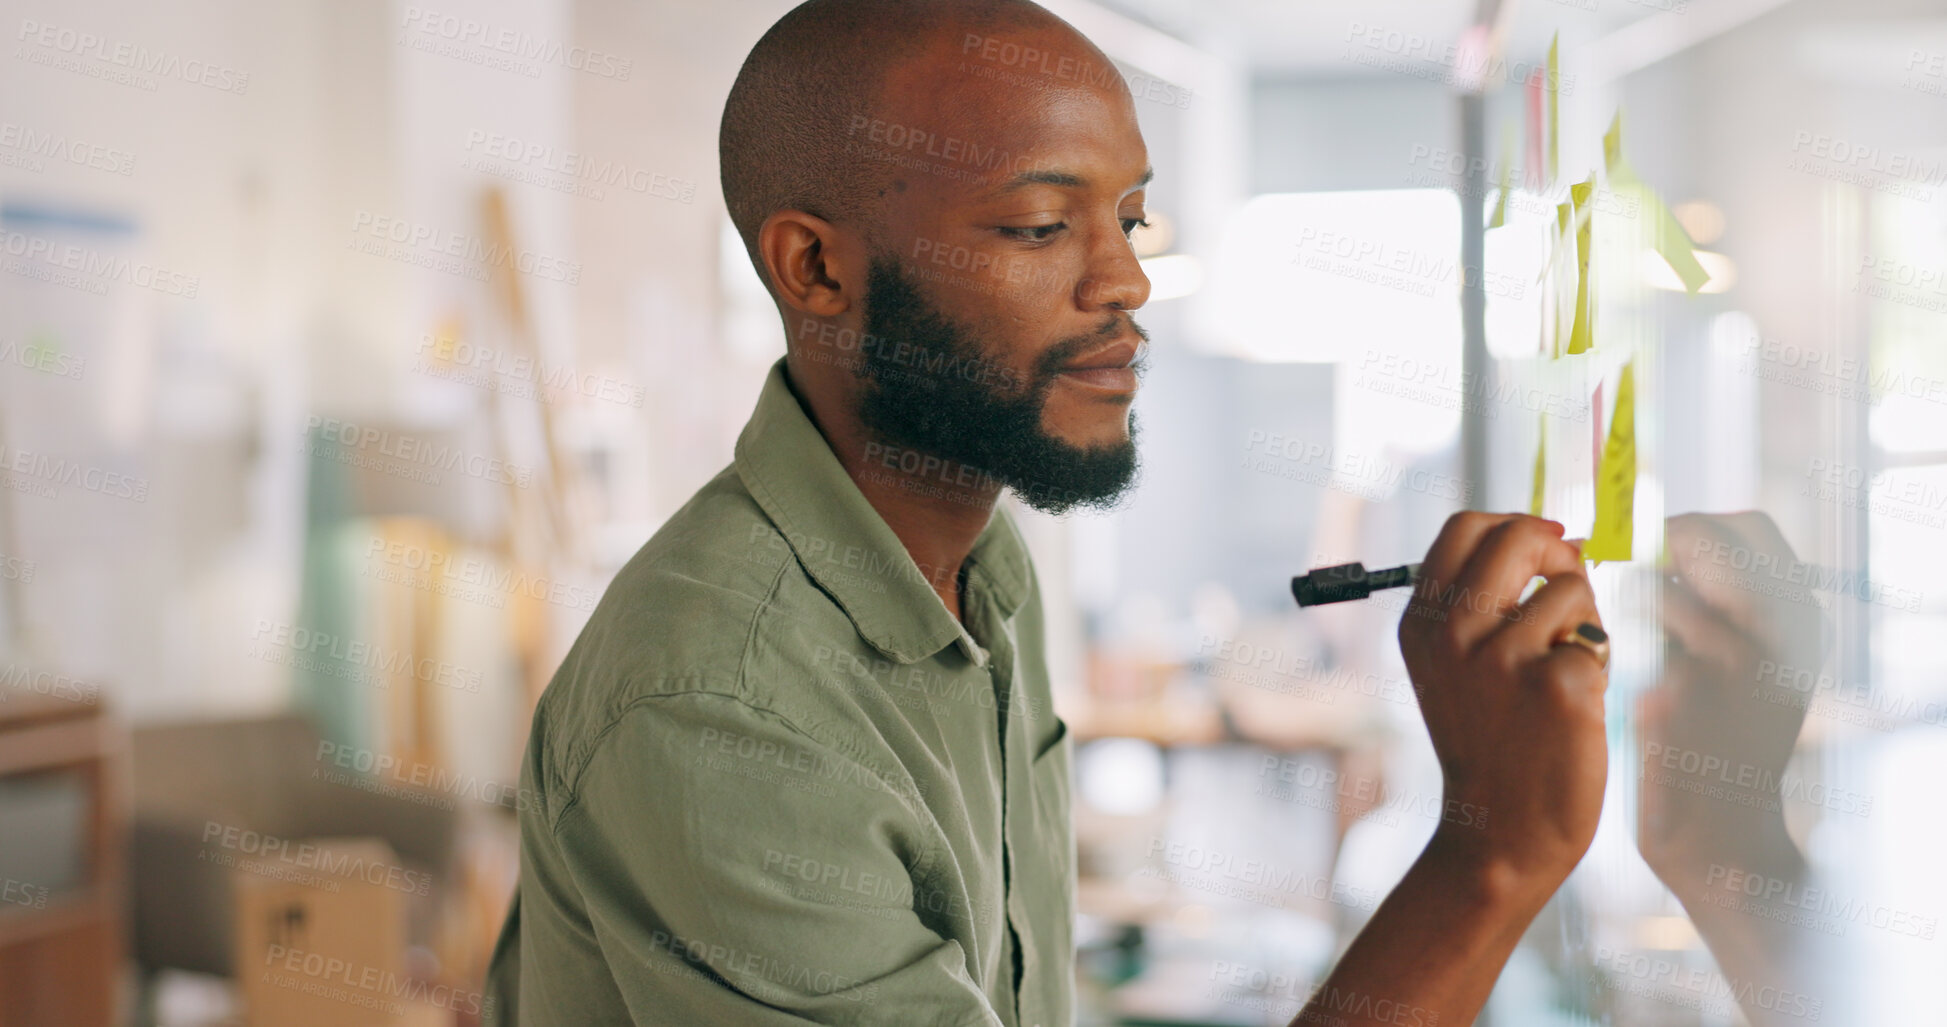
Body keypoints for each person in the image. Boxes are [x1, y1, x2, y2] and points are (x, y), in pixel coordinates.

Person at [483, 1, 1609, 1023]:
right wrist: (1491, 856)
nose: (1126, 280)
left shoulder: (979, 566)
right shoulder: (724, 713)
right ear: (816, 269)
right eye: (1037, 226)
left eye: (1130, 216)